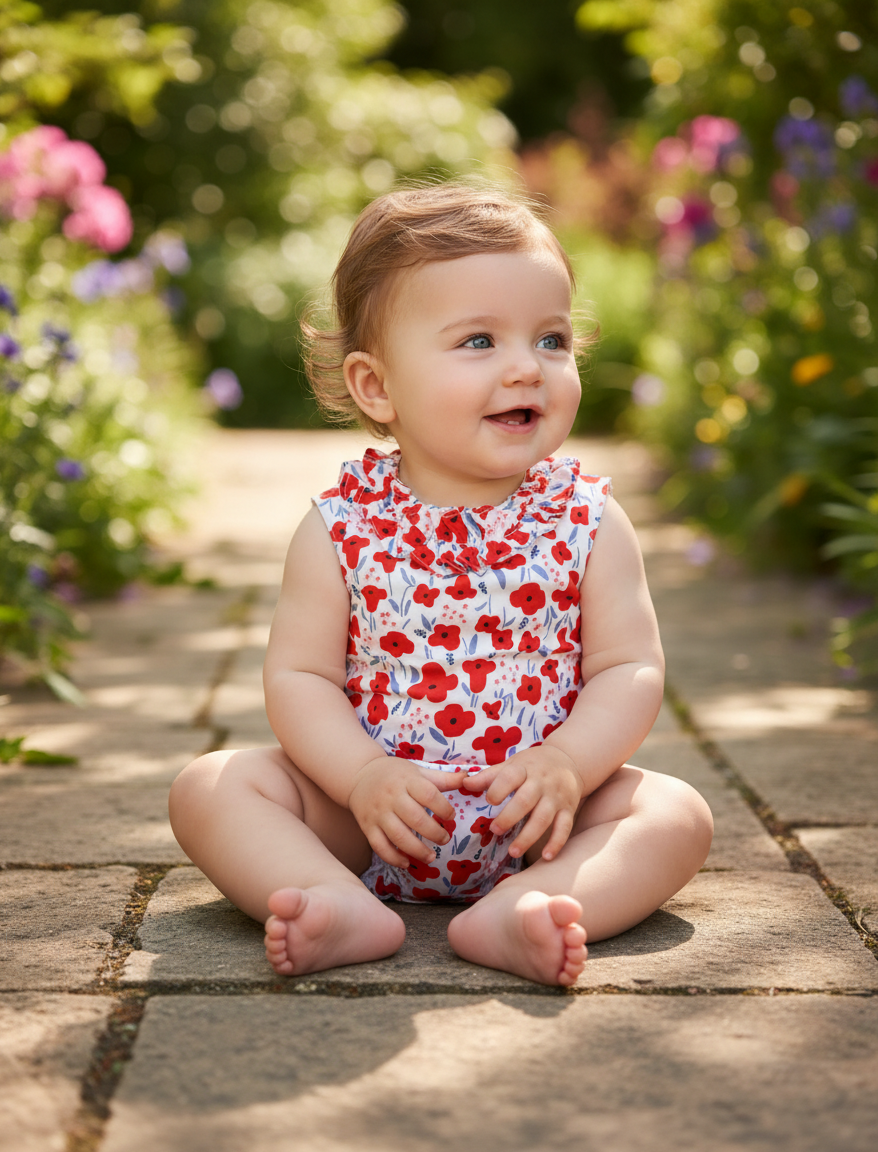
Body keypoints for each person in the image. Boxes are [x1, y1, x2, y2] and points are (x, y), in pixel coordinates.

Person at [169, 182, 713, 987]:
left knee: (675, 814)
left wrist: (568, 762)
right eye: (479, 341)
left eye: (552, 339)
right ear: (377, 386)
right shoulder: (341, 527)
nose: (527, 367)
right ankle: (331, 899)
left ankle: (530, 907)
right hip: (370, 820)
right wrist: (361, 776)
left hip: (542, 817)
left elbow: (628, 667)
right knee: (210, 786)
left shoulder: (588, 519)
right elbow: (300, 678)